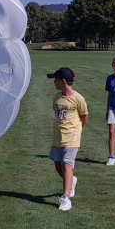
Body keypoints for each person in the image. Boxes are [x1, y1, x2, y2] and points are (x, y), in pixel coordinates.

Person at [48, 67, 87, 211]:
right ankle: (71, 181)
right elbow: (57, 113)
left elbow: (84, 116)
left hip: (72, 138)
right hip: (58, 137)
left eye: (56, 79)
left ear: (63, 81)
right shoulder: (57, 97)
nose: (54, 82)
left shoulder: (78, 98)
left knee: (67, 165)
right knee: (58, 166)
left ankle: (66, 198)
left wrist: (77, 130)